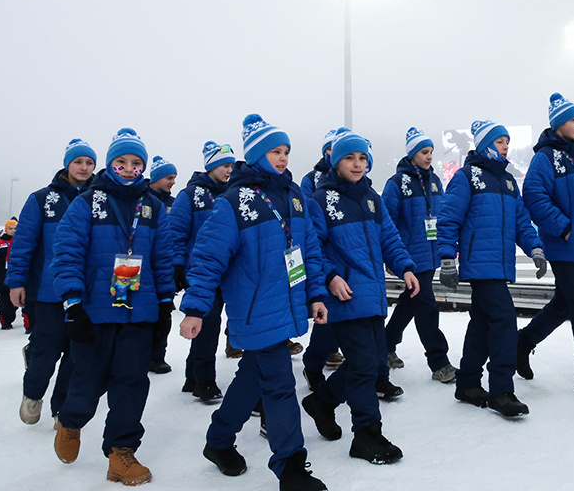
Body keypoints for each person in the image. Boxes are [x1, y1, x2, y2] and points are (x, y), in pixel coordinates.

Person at [179, 115, 328, 491]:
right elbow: (208, 257)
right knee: (279, 384)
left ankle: (218, 441)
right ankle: (291, 467)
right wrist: (195, 308)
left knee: (251, 378)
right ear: (258, 155)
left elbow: (309, 248)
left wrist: (315, 293)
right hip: (254, 309)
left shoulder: (295, 196)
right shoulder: (233, 202)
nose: (283, 158)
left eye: (286, 151)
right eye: (275, 151)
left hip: (287, 303)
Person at [51, 128, 175, 486]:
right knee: (88, 380)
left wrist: (165, 302)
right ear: (110, 165)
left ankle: (121, 452)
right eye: (121, 162)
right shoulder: (87, 203)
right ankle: (71, 420)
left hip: (140, 310)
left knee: (132, 382)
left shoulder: (153, 206)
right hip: (95, 310)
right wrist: (73, 303)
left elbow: (163, 257)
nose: (129, 168)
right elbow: (68, 252)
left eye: (136, 163)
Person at [303, 128, 418, 465]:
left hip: (373, 293)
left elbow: (389, 239)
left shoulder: (372, 198)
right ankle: (366, 434)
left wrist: (405, 267)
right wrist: (330, 277)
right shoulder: (320, 200)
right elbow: (312, 248)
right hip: (345, 294)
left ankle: (322, 401)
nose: (357, 164)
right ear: (336, 162)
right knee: (366, 365)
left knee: (370, 361)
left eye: (362, 158)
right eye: (350, 158)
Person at [437, 119, 545, 418]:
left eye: (507, 141)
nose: (506, 146)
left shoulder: (508, 181)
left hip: (500, 264)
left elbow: (521, 221)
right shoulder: (466, 177)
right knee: (504, 319)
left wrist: (534, 247)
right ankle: (501, 390)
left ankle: (468, 383)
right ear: (485, 145)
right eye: (499, 141)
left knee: (483, 324)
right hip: (479, 264)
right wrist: (447, 259)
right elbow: (449, 218)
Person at [518, 94, 574, 394]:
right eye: (573, 119)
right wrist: (563, 228)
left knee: (565, 303)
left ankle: (522, 343)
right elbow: (533, 196)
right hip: (562, 243)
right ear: (558, 124)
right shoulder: (544, 158)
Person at [7, 139, 96, 425]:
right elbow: (23, 244)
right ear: (67, 165)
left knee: (76, 354)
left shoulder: (99, 199)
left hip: (86, 292)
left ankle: (62, 408)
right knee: (46, 350)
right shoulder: (42, 199)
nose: (84, 168)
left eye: (89, 163)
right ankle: (32, 394)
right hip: (49, 291)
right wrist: (16, 282)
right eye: (78, 162)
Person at [381, 127, 456, 383]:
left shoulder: (434, 181)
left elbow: (442, 214)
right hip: (409, 256)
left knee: (411, 302)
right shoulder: (396, 184)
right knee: (426, 305)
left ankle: (385, 344)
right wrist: (392, 257)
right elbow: (387, 223)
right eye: (424, 152)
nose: (429, 156)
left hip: (430, 253)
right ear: (412, 154)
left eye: (431, 151)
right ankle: (439, 362)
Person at [169, 141, 235, 402]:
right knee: (208, 325)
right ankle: (205, 381)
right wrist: (178, 266)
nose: (229, 170)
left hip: (230, 271)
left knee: (213, 326)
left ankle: (192, 376)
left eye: (231, 165)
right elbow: (176, 234)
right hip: (202, 272)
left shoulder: (234, 194)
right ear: (210, 166)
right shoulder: (190, 196)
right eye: (224, 165)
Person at [301, 129, 345, 381]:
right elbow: (308, 221)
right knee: (328, 313)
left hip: (350, 258)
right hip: (325, 258)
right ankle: (315, 361)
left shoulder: (354, 181)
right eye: (330, 148)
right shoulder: (312, 181)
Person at [146, 155, 178, 374]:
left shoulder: (173, 203)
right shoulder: (142, 200)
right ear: (156, 178)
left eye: (174, 177)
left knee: (163, 314)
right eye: (169, 177)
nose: (173, 182)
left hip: (164, 265)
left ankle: (157, 356)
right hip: (138, 267)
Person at [0, 219, 18, 329]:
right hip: (2, 278)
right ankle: (5, 321)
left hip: (17, 277)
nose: (13, 231)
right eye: (10, 229)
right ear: (6, 230)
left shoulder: (21, 243)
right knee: (4, 302)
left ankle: (28, 323)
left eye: (15, 228)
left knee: (18, 302)